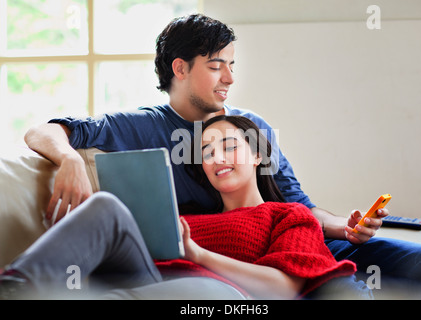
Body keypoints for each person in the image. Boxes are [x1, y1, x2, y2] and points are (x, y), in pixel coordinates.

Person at [23, 14, 421, 297]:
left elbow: (295, 205)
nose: (230, 77)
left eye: (232, 64)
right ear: (180, 68)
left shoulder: (252, 127)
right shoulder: (138, 125)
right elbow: (45, 131)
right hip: (227, 257)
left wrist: (346, 228)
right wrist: (71, 159)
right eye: (216, 65)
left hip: (295, 245)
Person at [0, 115, 368, 300]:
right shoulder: (183, 216)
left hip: (225, 298)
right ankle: (16, 288)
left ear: (257, 154)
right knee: (106, 206)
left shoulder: (288, 215)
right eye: (207, 152)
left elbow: (283, 290)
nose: (217, 157)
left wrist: (197, 254)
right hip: (146, 281)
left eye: (228, 145)